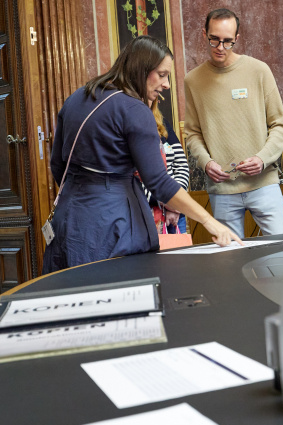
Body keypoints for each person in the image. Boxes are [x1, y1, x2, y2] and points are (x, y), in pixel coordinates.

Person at [43, 36, 241, 274]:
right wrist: (210, 222)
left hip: (69, 216)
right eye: (162, 74)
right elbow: (159, 183)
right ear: (141, 69)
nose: (166, 84)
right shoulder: (134, 109)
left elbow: (57, 165)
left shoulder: (77, 97)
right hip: (113, 222)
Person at [184, 8, 283, 238]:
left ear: (237, 39)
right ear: (204, 34)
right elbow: (192, 133)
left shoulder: (258, 71)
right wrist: (206, 163)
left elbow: (280, 126)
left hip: (264, 184)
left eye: (227, 42)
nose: (220, 47)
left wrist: (262, 160)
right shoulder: (193, 80)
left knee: (281, 253)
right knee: (231, 262)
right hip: (222, 190)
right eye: (214, 40)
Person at [142, 97, 190, 233]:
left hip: (176, 212)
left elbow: (182, 165)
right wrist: (165, 202)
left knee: (181, 253)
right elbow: (137, 175)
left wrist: (175, 201)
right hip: (148, 211)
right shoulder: (131, 126)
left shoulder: (162, 123)